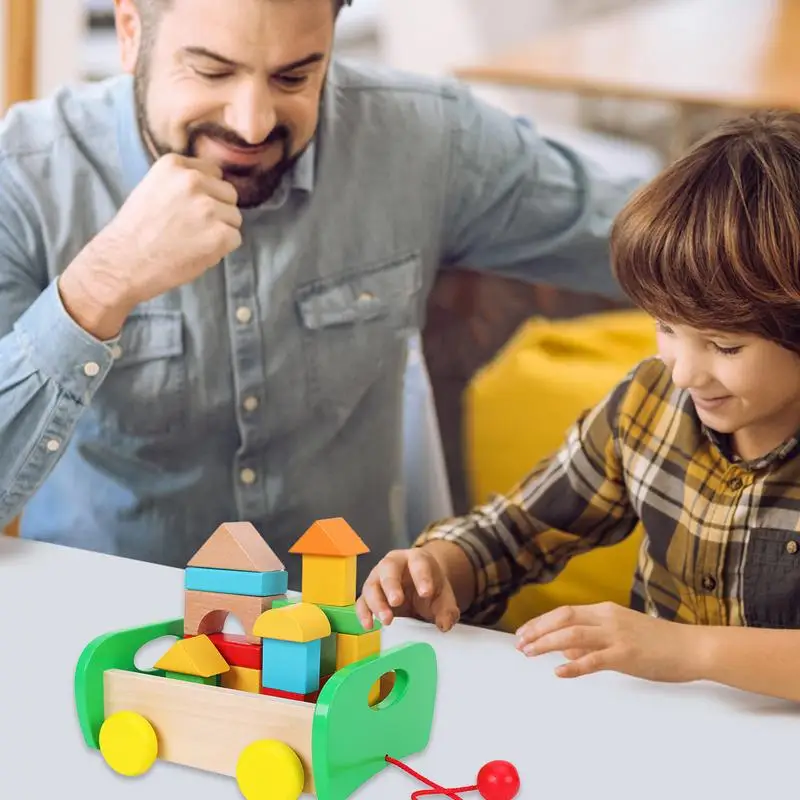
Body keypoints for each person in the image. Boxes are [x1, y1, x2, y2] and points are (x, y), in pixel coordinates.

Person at [0, 0, 636, 583]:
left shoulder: (425, 139)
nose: (252, 125)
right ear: (131, 32)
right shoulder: (26, 177)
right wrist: (100, 283)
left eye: (293, 78)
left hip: (355, 639)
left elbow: (657, 237)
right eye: (213, 73)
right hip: (110, 635)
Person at [356, 110, 800, 703]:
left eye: (725, 345)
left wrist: (688, 650)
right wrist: (438, 565)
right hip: (663, 731)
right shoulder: (649, 402)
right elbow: (518, 531)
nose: (686, 371)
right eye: (666, 328)